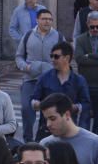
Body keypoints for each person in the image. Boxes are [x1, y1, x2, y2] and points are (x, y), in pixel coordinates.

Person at [15, 8, 65, 141]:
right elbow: (19, 56)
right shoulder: (28, 36)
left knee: (48, 111)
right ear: (37, 20)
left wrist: (57, 70)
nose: (47, 22)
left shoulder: (58, 37)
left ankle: (41, 140)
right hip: (30, 79)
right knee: (26, 108)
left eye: (49, 19)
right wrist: (25, 66)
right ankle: (28, 139)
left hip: (51, 81)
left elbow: (66, 57)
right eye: (44, 19)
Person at [30, 40, 90, 138]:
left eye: (56, 56)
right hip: (47, 129)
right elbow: (33, 100)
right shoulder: (44, 78)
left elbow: (86, 104)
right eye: (51, 56)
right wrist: (41, 105)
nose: (53, 59)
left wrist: (74, 107)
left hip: (69, 129)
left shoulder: (78, 80)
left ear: (67, 58)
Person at [74, 10, 98, 135]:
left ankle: (97, 142)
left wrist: (89, 56)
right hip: (85, 84)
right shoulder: (80, 40)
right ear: (87, 24)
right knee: (84, 116)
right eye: (92, 26)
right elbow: (79, 59)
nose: (95, 29)